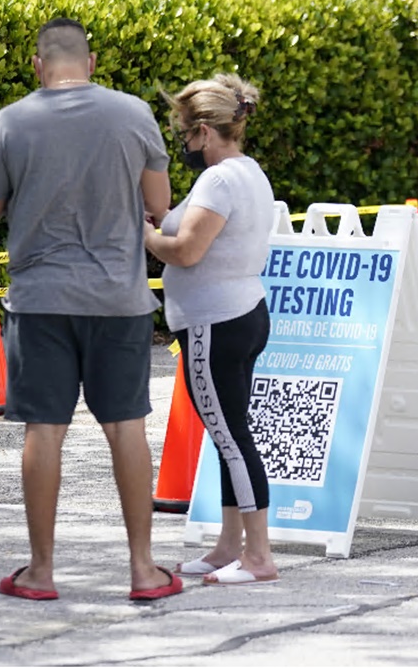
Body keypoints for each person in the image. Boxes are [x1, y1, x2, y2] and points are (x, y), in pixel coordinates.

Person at [0, 17, 182, 601]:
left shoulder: (9, 121)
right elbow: (159, 204)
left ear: (37, 66)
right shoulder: (133, 113)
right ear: (90, 64)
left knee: (45, 430)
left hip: (40, 301)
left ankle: (40, 571)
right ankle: (143, 569)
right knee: (126, 427)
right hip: (119, 298)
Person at [143, 74, 279, 585]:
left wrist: (149, 237)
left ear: (204, 130)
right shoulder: (248, 173)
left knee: (232, 436)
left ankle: (259, 556)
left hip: (215, 324)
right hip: (238, 314)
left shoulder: (219, 180)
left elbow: (187, 250)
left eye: (184, 132)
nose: (183, 143)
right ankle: (229, 546)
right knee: (229, 435)